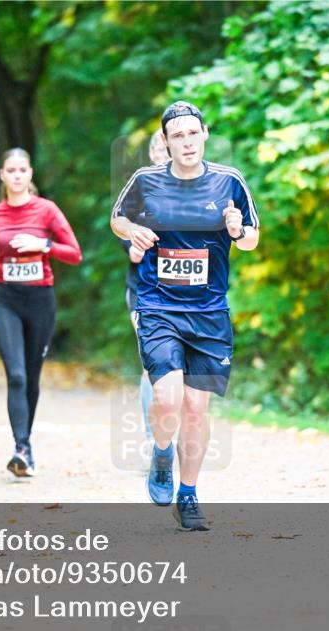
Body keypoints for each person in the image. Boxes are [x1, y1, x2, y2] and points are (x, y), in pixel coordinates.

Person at [111, 101, 261, 530]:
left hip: (210, 311)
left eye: (192, 133)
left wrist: (237, 231)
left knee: (197, 409)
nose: (187, 141)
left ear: (205, 134)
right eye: (177, 135)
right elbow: (117, 219)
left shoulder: (230, 182)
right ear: (166, 142)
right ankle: (162, 454)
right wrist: (132, 231)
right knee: (167, 399)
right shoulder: (145, 181)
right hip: (158, 305)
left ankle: (189, 495)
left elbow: (252, 239)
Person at [0, 148, 82, 478]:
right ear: (2, 176)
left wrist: (43, 246)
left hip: (40, 301)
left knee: (31, 376)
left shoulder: (46, 210)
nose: (17, 175)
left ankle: (27, 445)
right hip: (6, 299)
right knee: (16, 375)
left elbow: (74, 254)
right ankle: (20, 448)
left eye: (23, 169)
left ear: (30, 174)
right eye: (11, 170)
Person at [122, 132, 169, 458]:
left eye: (168, 148)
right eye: (158, 148)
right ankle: (154, 440)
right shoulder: (139, 191)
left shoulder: (193, 189)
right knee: (152, 364)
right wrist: (136, 245)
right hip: (144, 291)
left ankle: (170, 433)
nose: (163, 154)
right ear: (151, 153)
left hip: (184, 294)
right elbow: (128, 241)